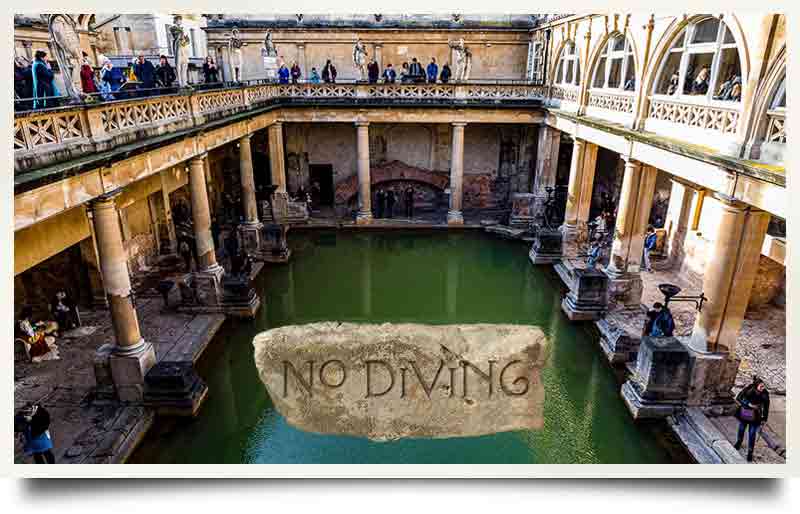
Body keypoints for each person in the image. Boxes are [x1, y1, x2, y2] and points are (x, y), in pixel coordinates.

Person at [734, 377, 771, 462]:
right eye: (761, 386)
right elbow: (738, 398)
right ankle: (739, 442)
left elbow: (766, 407)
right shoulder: (749, 389)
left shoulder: (765, 394)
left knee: (752, 433)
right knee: (742, 428)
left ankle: (750, 452)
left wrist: (764, 419)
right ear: (756, 386)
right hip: (745, 413)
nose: (763, 388)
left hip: (756, 416)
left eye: (763, 386)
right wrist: (748, 404)